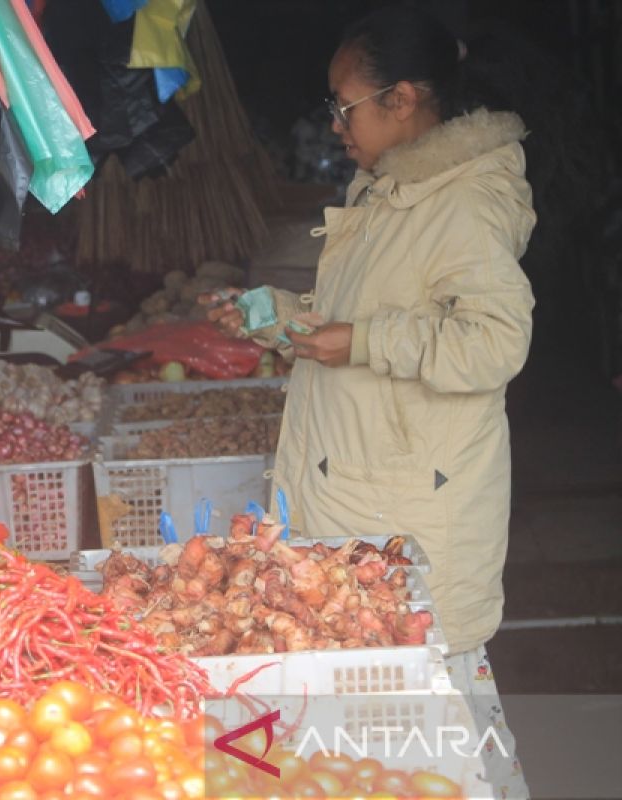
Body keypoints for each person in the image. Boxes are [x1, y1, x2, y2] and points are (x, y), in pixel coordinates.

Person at [208, 7, 533, 792]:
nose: (334, 123)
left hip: (416, 515)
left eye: (344, 105)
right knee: (383, 739)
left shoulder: (463, 201)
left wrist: (366, 342)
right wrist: (279, 319)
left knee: (447, 724)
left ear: (405, 100)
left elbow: (495, 342)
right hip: (364, 494)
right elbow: (362, 323)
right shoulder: (392, 190)